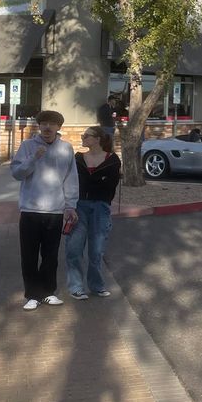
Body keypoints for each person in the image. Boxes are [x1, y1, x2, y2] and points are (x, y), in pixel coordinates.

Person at [10, 110, 79, 311]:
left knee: (50, 255)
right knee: (29, 255)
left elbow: (71, 179)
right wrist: (33, 159)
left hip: (55, 211)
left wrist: (71, 205)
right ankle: (32, 294)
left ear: (59, 127)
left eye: (52, 124)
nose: (47, 127)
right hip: (30, 210)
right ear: (39, 126)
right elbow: (16, 173)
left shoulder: (66, 148)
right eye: (44, 123)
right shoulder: (27, 146)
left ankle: (48, 292)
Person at [66, 126, 122, 299]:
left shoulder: (112, 160)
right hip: (78, 206)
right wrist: (97, 180)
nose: (83, 138)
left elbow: (109, 185)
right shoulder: (77, 158)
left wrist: (90, 182)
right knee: (74, 248)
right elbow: (70, 181)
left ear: (97, 139)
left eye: (86, 136)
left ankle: (96, 286)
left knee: (96, 251)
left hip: (100, 207)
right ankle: (76, 287)